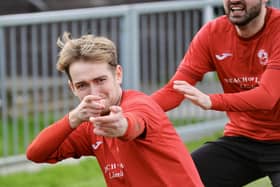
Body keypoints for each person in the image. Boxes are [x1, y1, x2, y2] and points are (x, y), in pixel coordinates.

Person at [26, 32, 204, 187]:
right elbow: (36, 153)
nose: (94, 93)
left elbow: (134, 122)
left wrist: (122, 126)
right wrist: (73, 118)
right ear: (72, 88)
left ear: (118, 74)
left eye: (100, 80)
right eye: (82, 86)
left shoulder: (141, 104)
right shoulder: (89, 126)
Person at [151, 0, 280, 186]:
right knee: (177, 179)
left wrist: (211, 101)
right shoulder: (213, 32)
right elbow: (175, 90)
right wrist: (129, 111)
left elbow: (267, 97)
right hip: (243, 140)